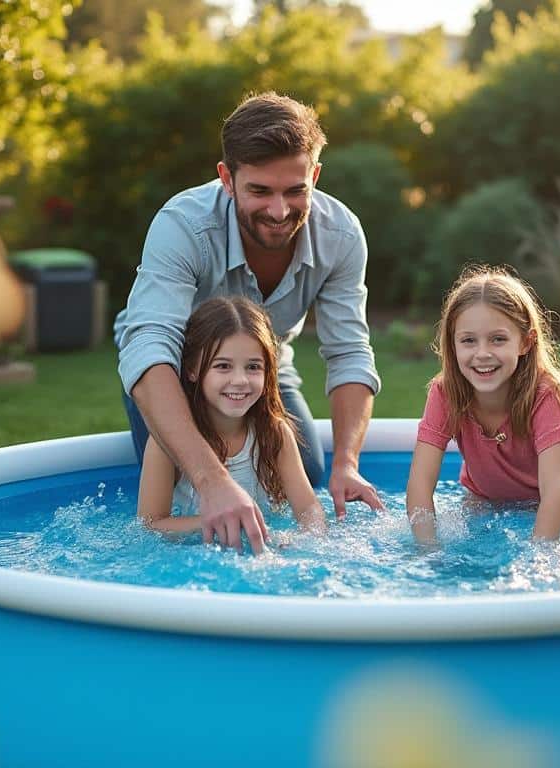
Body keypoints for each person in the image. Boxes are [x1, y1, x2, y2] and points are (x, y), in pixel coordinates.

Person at [114, 92, 385, 553]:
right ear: (227, 178)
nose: (280, 212)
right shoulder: (181, 225)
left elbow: (349, 353)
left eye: (295, 190)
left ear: (314, 176)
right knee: (185, 481)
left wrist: (348, 463)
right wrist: (212, 480)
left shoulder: (341, 234)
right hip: (175, 370)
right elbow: (148, 346)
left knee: (309, 469)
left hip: (267, 365)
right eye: (260, 191)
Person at [405, 266, 560, 545]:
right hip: (482, 497)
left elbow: (555, 492)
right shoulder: (444, 393)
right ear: (452, 346)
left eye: (498, 339)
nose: (483, 354)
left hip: (544, 501)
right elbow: (419, 485)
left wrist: (540, 561)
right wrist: (427, 552)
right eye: (468, 341)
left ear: (526, 343)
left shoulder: (544, 395)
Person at [138, 297, 325, 536]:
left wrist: (305, 538)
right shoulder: (165, 443)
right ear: (192, 369)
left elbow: (309, 508)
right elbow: (149, 525)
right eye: (223, 366)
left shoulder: (275, 433)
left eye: (253, 367)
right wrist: (222, 521)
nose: (240, 380)